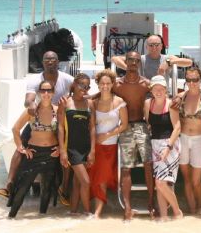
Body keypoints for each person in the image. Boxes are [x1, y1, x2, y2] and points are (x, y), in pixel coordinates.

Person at [0, 51, 73, 202]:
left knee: (65, 150)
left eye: (53, 59)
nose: (50, 62)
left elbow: (79, 88)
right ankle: (9, 186)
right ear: (42, 62)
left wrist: (70, 99)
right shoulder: (35, 80)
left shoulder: (67, 78)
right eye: (47, 59)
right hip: (39, 118)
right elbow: (28, 99)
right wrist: (31, 106)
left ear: (58, 62)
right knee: (20, 148)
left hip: (58, 120)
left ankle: (64, 188)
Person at [7, 80, 61, 218]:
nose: (46, 93)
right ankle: (11, 218)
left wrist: (61, 148)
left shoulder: (58, 110)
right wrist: (21, 148)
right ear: (39, 93)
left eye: (49, 91)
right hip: (33, 154)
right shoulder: (31, 111)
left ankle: (41, 218)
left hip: (51, 154)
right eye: (43, 90)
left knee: (47, 188)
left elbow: (64, 132)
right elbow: (15, 129)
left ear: (53, 92)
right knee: (22, 188)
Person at [112, 51, 155, 221]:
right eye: (130, 60)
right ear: (125, 62)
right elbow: (102, 95)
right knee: (126, 168)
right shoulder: (117, 84)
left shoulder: (146, 84)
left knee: (148, 165)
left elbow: (161, 95)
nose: (133, 63)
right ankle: (127, 208)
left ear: (139, 63)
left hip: (142, 126)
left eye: (136, 60)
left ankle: (151, 203)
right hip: (125, 127)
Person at [88, 69, 128, 218]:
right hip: (94, 146)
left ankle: (97, 213)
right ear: (98, 84)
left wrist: (107, 135)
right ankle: (87, 209)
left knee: (102, 179)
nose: (105, 86)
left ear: (112, 84)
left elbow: (124, 125)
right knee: (92, 178)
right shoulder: (93, 102)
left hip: (110, 146)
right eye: (102, 83)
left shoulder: (119, 102)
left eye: (108, 83)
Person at [144, 75, 183, 221]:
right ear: (151, 90)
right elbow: (148, 124)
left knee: (161, 182)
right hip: (155, 145)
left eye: (161, 89)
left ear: (166, 90)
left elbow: (177, 128)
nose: (158, 91)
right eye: (155, 88)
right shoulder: (148, 104)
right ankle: (165, 217)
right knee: (159, 183)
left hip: (171, 144)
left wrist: (168, 147)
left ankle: (177, 211)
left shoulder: (171, 104)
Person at [58, 73, 96, 215]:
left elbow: (92, 128)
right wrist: (62, 151)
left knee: (77, 182)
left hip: (85, 147)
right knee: (86, 182)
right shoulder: (65, 102)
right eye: (81, 85)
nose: (84, 89)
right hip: (72, 148)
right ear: (74, 84)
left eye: (87, 87)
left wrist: (92, 151)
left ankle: (73, 212)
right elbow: (61, 128)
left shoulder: (90, 104)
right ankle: (87, 212)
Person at [174, 67, 201, 214]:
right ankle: (193, 210)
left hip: (199, 140)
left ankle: (200, 205)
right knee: (186, 179)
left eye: (195, 80)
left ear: (200, 80)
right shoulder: (180, 97)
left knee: (196, 181)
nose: (192, 83)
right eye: (188, 80)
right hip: (183, 139)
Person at [111, 34, 192, 80]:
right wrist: (128, 68)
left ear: (161, 46)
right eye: (151, 45)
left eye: (157, 45)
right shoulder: (140, 59)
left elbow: (189, 62)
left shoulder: (167, 58)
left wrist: (169, 62)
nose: (154, 48)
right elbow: (114, 59)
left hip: (162, 93)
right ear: (146, 47)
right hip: (144, 93)